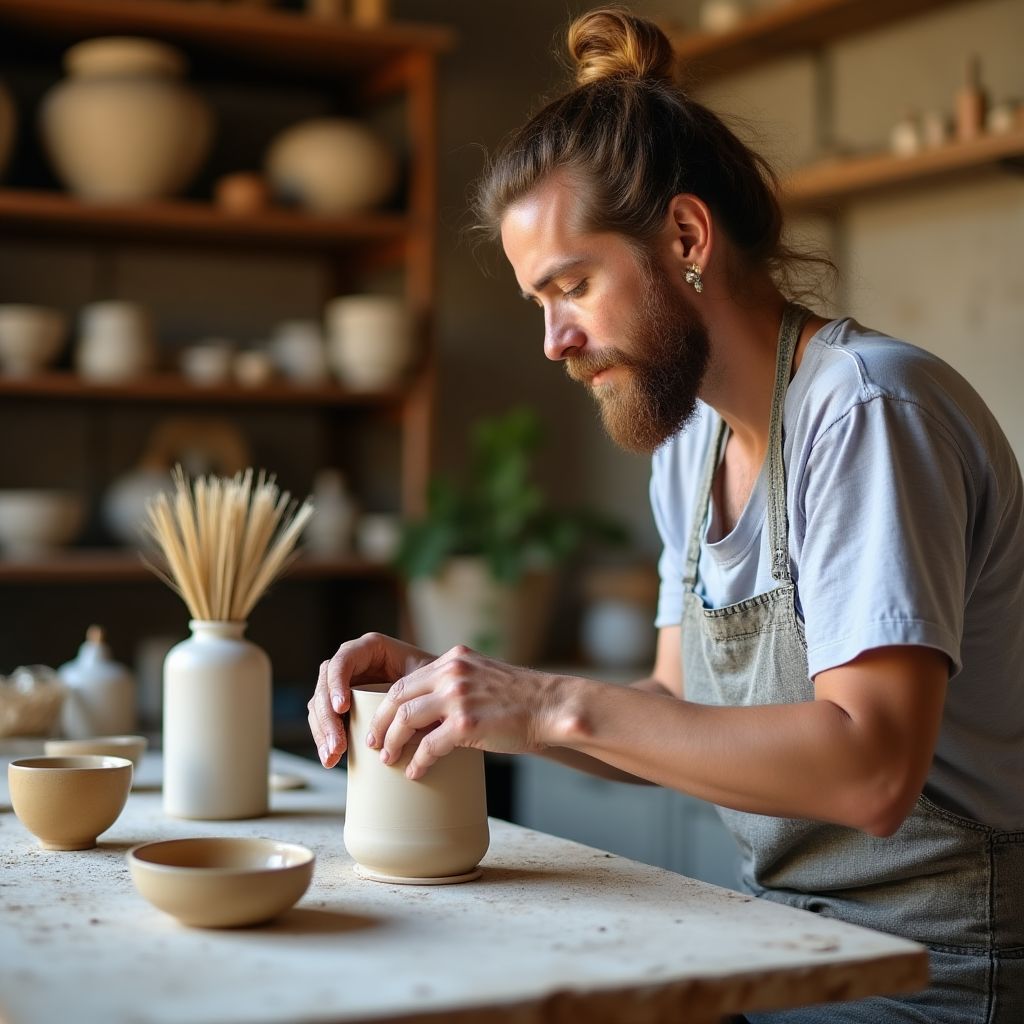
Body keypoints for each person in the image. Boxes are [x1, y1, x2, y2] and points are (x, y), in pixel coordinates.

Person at [308, 8, 1023, 1021]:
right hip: (786, 939)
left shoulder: (864, 411)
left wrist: (549, 700)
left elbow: (871, 771)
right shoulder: (692, 444)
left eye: (573, 285)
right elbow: (672, 712)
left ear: (685, 236)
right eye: (535, 302)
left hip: (932, 973)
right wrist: (466, 697)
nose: (554, 341)